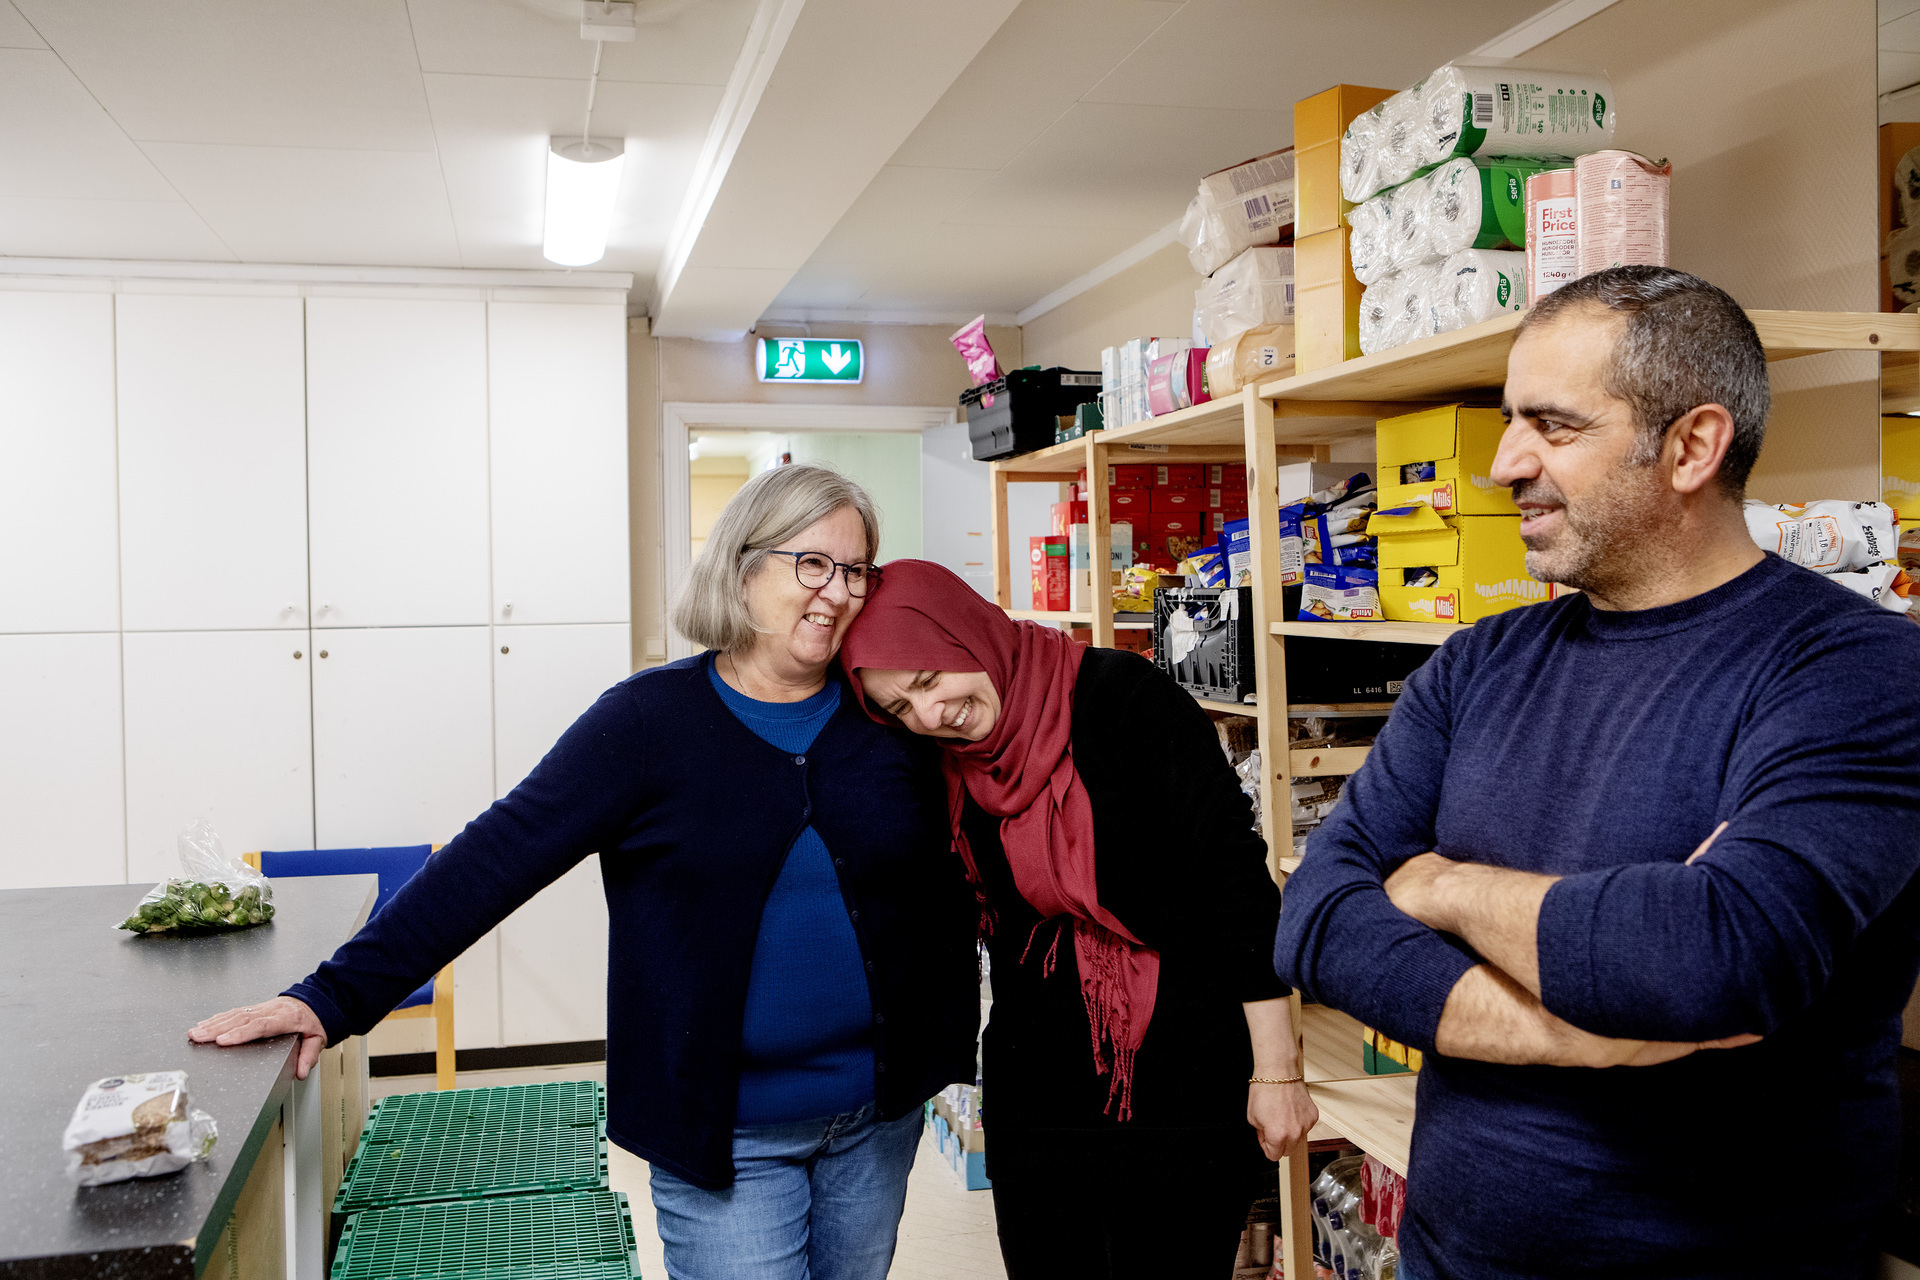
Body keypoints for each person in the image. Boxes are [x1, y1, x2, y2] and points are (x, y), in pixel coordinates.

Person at [1273, 266, 1920, 1279]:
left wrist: (1445, 885)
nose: (1503, 462)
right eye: (1507, 421)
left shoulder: (1857, 669)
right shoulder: (1478, 663)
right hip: (1452, 1255)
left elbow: (1712, 957)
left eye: (1553, 426)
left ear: (1693, 446)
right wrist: (1587, 1031)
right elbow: (1316, 916)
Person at [188, 465, 979, 1280]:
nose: (838, 592)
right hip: (721, 1131)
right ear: (741, 566)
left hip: (876, 1120)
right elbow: (493, 860)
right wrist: (329, 997)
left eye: (857, 570)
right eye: (811, 563)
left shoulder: (891, 718)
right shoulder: (648, 725)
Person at [838, 559, 1318, 1280]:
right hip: (1038, 1099)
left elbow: (1234, 883)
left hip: (1181, 1087)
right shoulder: (950, 767)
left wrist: (1277, 1075)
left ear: (967, 635)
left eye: (931, 681)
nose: (931, 715)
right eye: (901, 708)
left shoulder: (1122, 700)